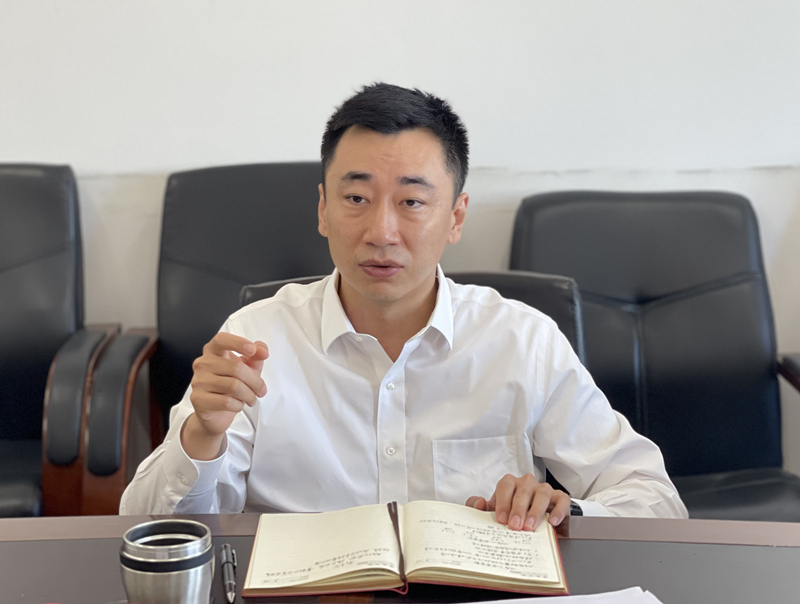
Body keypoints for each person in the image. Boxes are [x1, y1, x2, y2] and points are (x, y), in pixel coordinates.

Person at [120, 83, 688, 530]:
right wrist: (202, 438)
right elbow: (144, 526)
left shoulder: (522, 342)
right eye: (356, 198)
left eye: (412, 202)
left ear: (456, 217)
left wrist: (565, 512)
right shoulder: (257, 338)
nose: (382, 232)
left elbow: (655, 500)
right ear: (322, 210)